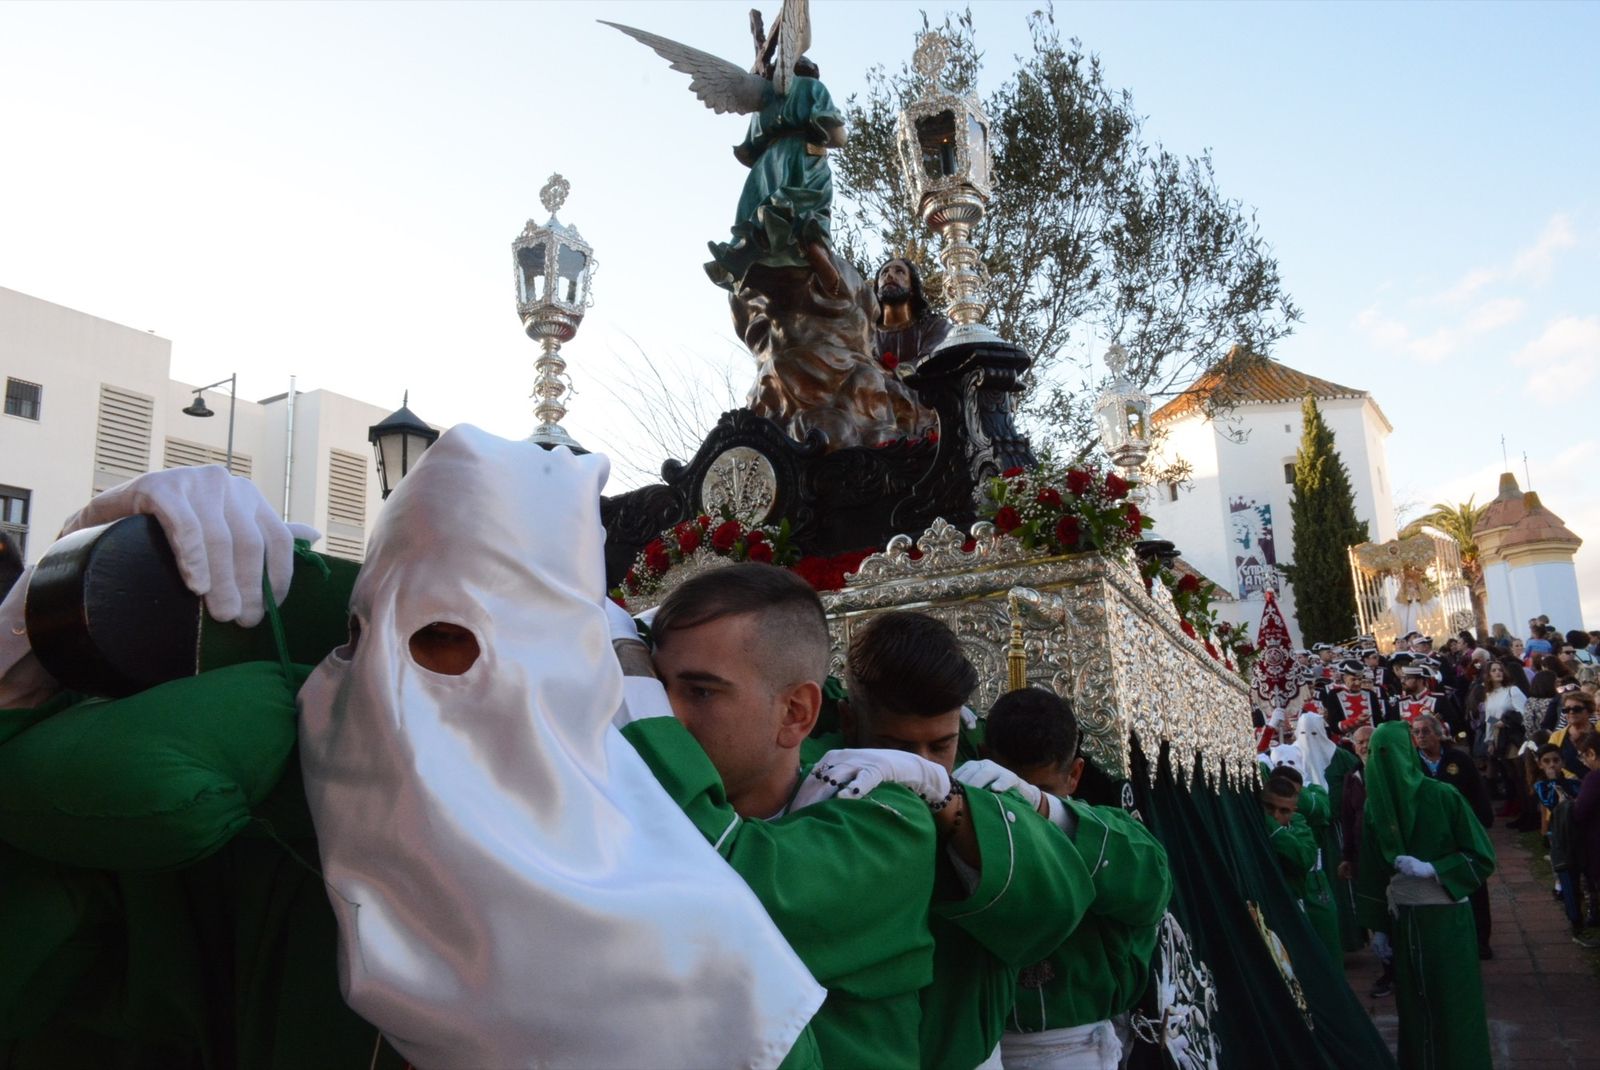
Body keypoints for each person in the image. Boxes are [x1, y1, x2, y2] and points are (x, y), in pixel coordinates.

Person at [614, 564, 944, 1069]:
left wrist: (631, 685)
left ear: (795, 713)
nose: (671, 715)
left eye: (701, 691)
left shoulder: (886, 823)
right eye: (659, 687)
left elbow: (723, 888)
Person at [802, 611, 1097, 1070]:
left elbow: (1054, 910)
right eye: (897, 748)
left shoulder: (980, 785)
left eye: (940, 745)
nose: (921, 768)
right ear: (847, 719)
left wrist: (958, 809)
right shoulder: (812, 782)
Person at [982, 687, 1173, 1070]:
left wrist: (1047, 810)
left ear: (1075, 775)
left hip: (1077, 1048)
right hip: (984, 1047)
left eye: (1040, 792)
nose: (1021, 807)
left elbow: (1152, 884)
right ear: (985, 763)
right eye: (1010, 790)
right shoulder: (967, 824)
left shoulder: (1106, 831)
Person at [1356, 721, 1496, 1070]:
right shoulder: (1375, 810)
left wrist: (1435, 869)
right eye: (1376, 754)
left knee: (1454, 1003)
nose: (1382, 763)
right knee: (1414, 1006)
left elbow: (1481, 856)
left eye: (1389, 754)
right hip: (1405, 922)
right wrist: (1379, 928)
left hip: (1447, 921)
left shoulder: (1444, 796)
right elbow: (1372, 874)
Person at [1411, 713, 1495, 958]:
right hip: (1433, 835)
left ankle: (1481, 940)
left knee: (1473, 882)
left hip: (1463, 830)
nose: (1420, 736)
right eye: (1416, 732)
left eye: (1425, 731)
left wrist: (1482, 823)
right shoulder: (1413, 763)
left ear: (1439, 733)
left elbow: (1477, 792)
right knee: (1438, 885)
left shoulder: (1458, 758)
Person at [1260, 771, 1342, 966]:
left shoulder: (1298, 824)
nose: (1276, 816)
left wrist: (1273, 828)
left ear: (1294, 810)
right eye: (1269, 808)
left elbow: (1303, 857)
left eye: (1284, 811)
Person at [1337, 725, 1394, 996]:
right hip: (1364, 855)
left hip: (1391, 853)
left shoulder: (1392, 772)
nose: (1363, 746)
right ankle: (1388, 968)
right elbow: (1348, 818)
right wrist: (1347, 856)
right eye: (1359, 742)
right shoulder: (1352, 777)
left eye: (1368, 741)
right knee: (1375, 908)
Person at [874, 257, 950, 373]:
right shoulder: (866, 334)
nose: (889, 275)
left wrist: (888, 374)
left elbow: (932, 362)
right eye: (884, 273)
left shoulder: (935, 327)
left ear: (912, 288)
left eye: (899, 271)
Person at [1570, 735, 1600, 934]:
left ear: (1592, 753)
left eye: (1583, 757)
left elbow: (1580, 812)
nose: (1584, 762)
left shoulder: (1594, 778)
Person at [1550, 690, 1596, 778]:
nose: (1571, 712)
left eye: (1577, 709)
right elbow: (1552, 764)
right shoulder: (1556, 737)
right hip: (1571, 786)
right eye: (1566, 710)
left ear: (1589, 710)